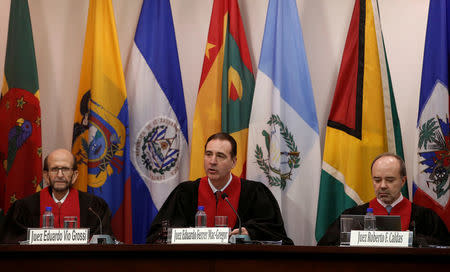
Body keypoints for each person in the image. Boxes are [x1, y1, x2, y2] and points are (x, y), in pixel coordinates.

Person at [146, 132, 293, 245]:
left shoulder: (254, 193)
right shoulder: (185, 193)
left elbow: (276, 234)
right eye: (208, 154)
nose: (212, 161)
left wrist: (250, 232)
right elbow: (159, 234)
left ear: (234, 162)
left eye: (220, 156)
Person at [318, 153, 450, 246]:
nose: (382, 186)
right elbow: (325, 248)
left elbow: (443, 249)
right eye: (377, 180)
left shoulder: (426, 218)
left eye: (390, 180)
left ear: (402, 181)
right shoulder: (352, 216)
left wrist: (414, 240)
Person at [0, 148, 114, 244]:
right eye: (54, 169)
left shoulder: (94, 207)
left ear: (74, 175)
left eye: (65, 169)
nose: (60, 175)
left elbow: (102, 245)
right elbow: (12, 243)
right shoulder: (24, 207)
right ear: (45, 175)